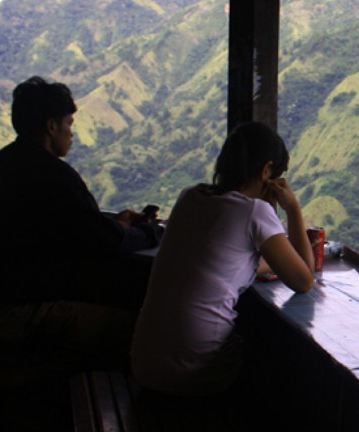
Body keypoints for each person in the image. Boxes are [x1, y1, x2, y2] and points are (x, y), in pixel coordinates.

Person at [0, 76, 163, 358]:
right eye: (68, 124)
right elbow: (105, 241)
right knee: (146, 333)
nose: (71, 133)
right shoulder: (53, 173)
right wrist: (152, 232)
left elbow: (62, 225)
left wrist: (114, 225)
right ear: (51, 126)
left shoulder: (7, 159)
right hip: (9, 316)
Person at [131, 121, 315, 397]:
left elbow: (227, 261)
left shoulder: (190, 196)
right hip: (192, 371)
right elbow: (303, 280)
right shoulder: (254, 212)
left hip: (144, 365)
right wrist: (292, 208)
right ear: (266, 171)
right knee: (268, 356)